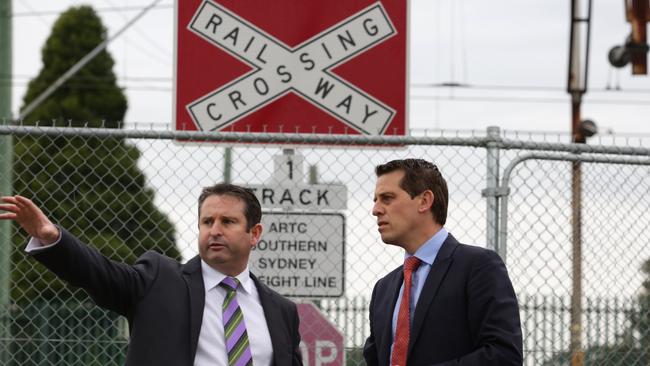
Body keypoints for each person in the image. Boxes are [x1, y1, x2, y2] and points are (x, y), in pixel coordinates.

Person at [0, 183, 303, 366]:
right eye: (207, 221)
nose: (215, 230)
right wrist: (53, 238)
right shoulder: (160, 281)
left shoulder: (281, 312)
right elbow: (100, 274)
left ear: (255, 233)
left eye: (228, 221)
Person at [363, 159, 522, 366]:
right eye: (376, 200)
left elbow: (503, 356)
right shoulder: (383, 289)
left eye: (387, 198)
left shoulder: (478, 267)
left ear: (424, 201)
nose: (376, 209)